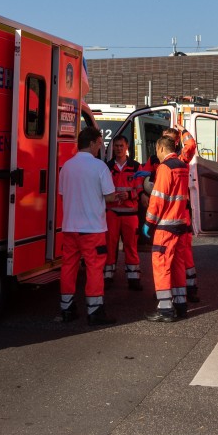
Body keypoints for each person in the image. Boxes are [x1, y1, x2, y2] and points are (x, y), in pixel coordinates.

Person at [56, 127, 125, 325]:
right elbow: (110, 196)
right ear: (93, 142)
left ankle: (66, 308)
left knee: (68, 266)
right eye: (100, 143)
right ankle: (95, 311)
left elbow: (63, 194)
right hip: (93, 228)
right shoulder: (100, 167)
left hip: (70, 227)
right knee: (94, 268)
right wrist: (117, 197)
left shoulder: (67, 167)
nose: (100, 146)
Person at [144, 134, 191, 322]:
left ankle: (165, 309)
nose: (157, 154)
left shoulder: (165, 168)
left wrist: (148, 223)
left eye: (157, 151)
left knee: (162, 265)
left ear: (162, 148)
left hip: (165, 226)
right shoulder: (182, 166)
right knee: (178, 265)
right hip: (180, 223)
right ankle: (180, 305)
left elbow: (158, 198)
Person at [163, 126, 201, 303]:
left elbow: (191, 145)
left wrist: (184, 130)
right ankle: (166, 289)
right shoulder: (157, 159)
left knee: (184, 252)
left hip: (180, 212)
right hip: (164, 214)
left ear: (176, 142)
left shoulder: (180, 158)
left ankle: (190, 288)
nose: (167, 142)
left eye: (170, 139)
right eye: (165, 139)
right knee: (166, 255)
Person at [105, 135, 144, 290]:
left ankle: (133, 279)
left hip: (130, 213)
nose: (118, 149)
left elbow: (140, 189)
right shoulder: (107, 166)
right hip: (112, 213)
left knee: (131, 246)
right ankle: (107, 276)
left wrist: (129, 195)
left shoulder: (136, 166)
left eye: (121, 146)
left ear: (127, 146)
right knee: (109, 245)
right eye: (116, 146)